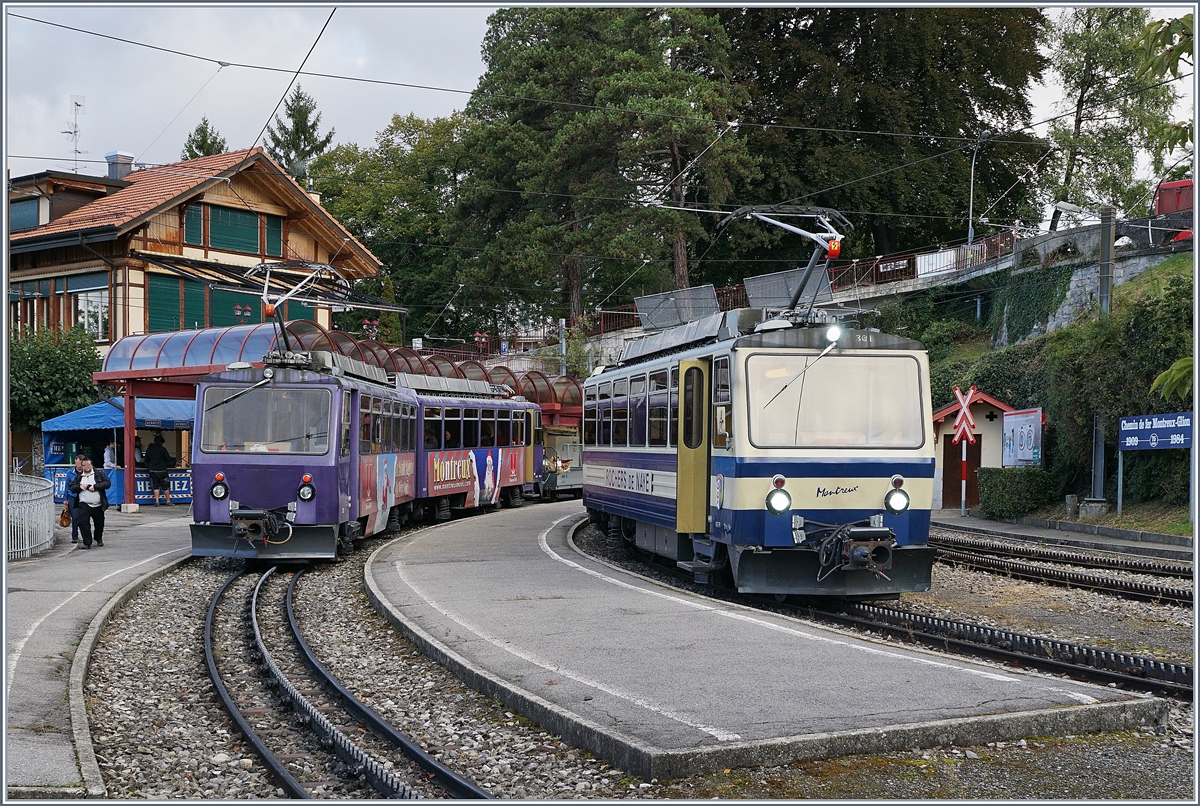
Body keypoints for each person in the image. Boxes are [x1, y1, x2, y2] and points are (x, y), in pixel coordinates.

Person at [69, 457, 111, 549]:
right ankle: (87, 542)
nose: (86, 467)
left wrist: (95, 487)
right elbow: (71, 487)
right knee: (83, 523)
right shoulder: (79, 476)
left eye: (88, 465)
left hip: (98, 504)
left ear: (91, 465)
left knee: (99, 523)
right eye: (84, 465)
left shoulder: (99, 474)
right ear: (82, 466)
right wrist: (80, 486)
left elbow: (107, 483)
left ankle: (98, 538)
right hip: (84, 503)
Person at [144, 435, 174, 505]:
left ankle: (157, 501)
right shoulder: (163, 449)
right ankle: (168, 501)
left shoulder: (149, 450)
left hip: (153, 470)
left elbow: (146, 461)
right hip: (162, 469)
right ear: (160, 442)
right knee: (165, 486)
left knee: (155, 486)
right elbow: (168, 459)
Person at [65, 455, 84, 544]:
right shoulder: (70, 472)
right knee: (75, 517)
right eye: (77, 464)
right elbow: (67, 485)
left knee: (83, 518)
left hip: (83, 497)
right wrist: (65, 498)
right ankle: (74, 537)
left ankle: (85, 536)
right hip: (72, 497)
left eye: (80, 464)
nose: (79, 467)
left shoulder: (87, 472)